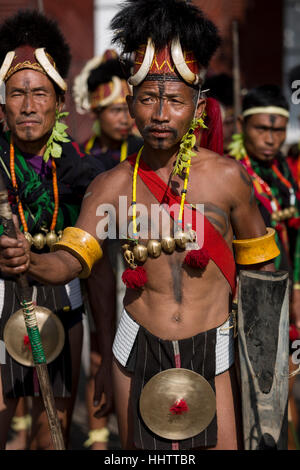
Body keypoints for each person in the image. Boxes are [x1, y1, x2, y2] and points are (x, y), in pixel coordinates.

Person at [0, 0, 280, 451]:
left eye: (174, 100)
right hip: (136, 351)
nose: (160, 114)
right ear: (131, 105)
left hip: (216, 350)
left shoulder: (228, 178)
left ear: (197, 105)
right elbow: (71, 262)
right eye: (148, 99)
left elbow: (263, 269)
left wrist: (271, 360)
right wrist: (30, 257)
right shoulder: (109, 186)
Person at [0, 10, 110, 450]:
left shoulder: (85, 173)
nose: (28, 106)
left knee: (52, 437)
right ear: (2, 105)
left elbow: (96, 269)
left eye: (40, 93)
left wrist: (102, 351)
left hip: (63, 307)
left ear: (60, 102)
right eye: (17, 94)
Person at [73, 49, 143, 450]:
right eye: (113, 109)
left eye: (126, 108)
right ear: (96, 109)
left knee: (136, 351)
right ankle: (99, 439)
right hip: (96, 266)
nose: (123, 117)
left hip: (136, 268)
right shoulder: (80, 158)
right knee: (99, 349)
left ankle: (134, 437)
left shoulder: (145, 155)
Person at [228, 84, 300, 449]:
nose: (271, 139)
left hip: (288, 292)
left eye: (278, 130)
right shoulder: (231, 173)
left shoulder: (287, 172)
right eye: (262, 129)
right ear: (241, 125)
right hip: (244, 298)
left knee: (288, 381)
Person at [73, 49, 143, 170]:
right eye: (117, 110)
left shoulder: (142, 153)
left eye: (129, 110)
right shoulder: (79, 155)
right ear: (95, 112)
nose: (125, 120)